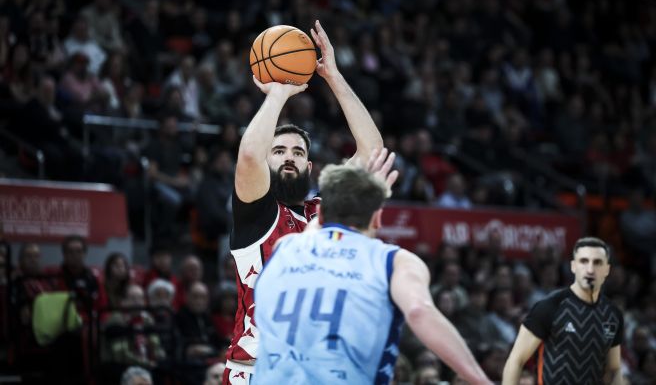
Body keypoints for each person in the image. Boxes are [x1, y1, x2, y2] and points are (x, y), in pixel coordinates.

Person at [223, 19, 385, 383]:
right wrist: (279, 93)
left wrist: (333, 78)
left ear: (310, 166)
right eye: (278, 151)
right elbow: (249, 155)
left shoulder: (323, 212)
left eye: (298, 152)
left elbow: (372, 153)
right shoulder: (258, 213)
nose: (290, 157)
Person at [252, 159, 490, 384]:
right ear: (377, 218)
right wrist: (481, 380)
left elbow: (318, 226)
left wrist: (351, 193)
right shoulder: (394, 260)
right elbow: (419, 311)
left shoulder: (286, 246)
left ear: (322, 213)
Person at [502, 237, 624, 385]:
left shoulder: (613, 314)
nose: (590, 269)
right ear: (573, 266)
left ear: (607, 269)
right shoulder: (550, 306)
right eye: (584, 261)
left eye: (597, 262)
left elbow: (614, 369)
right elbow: (516, 360)